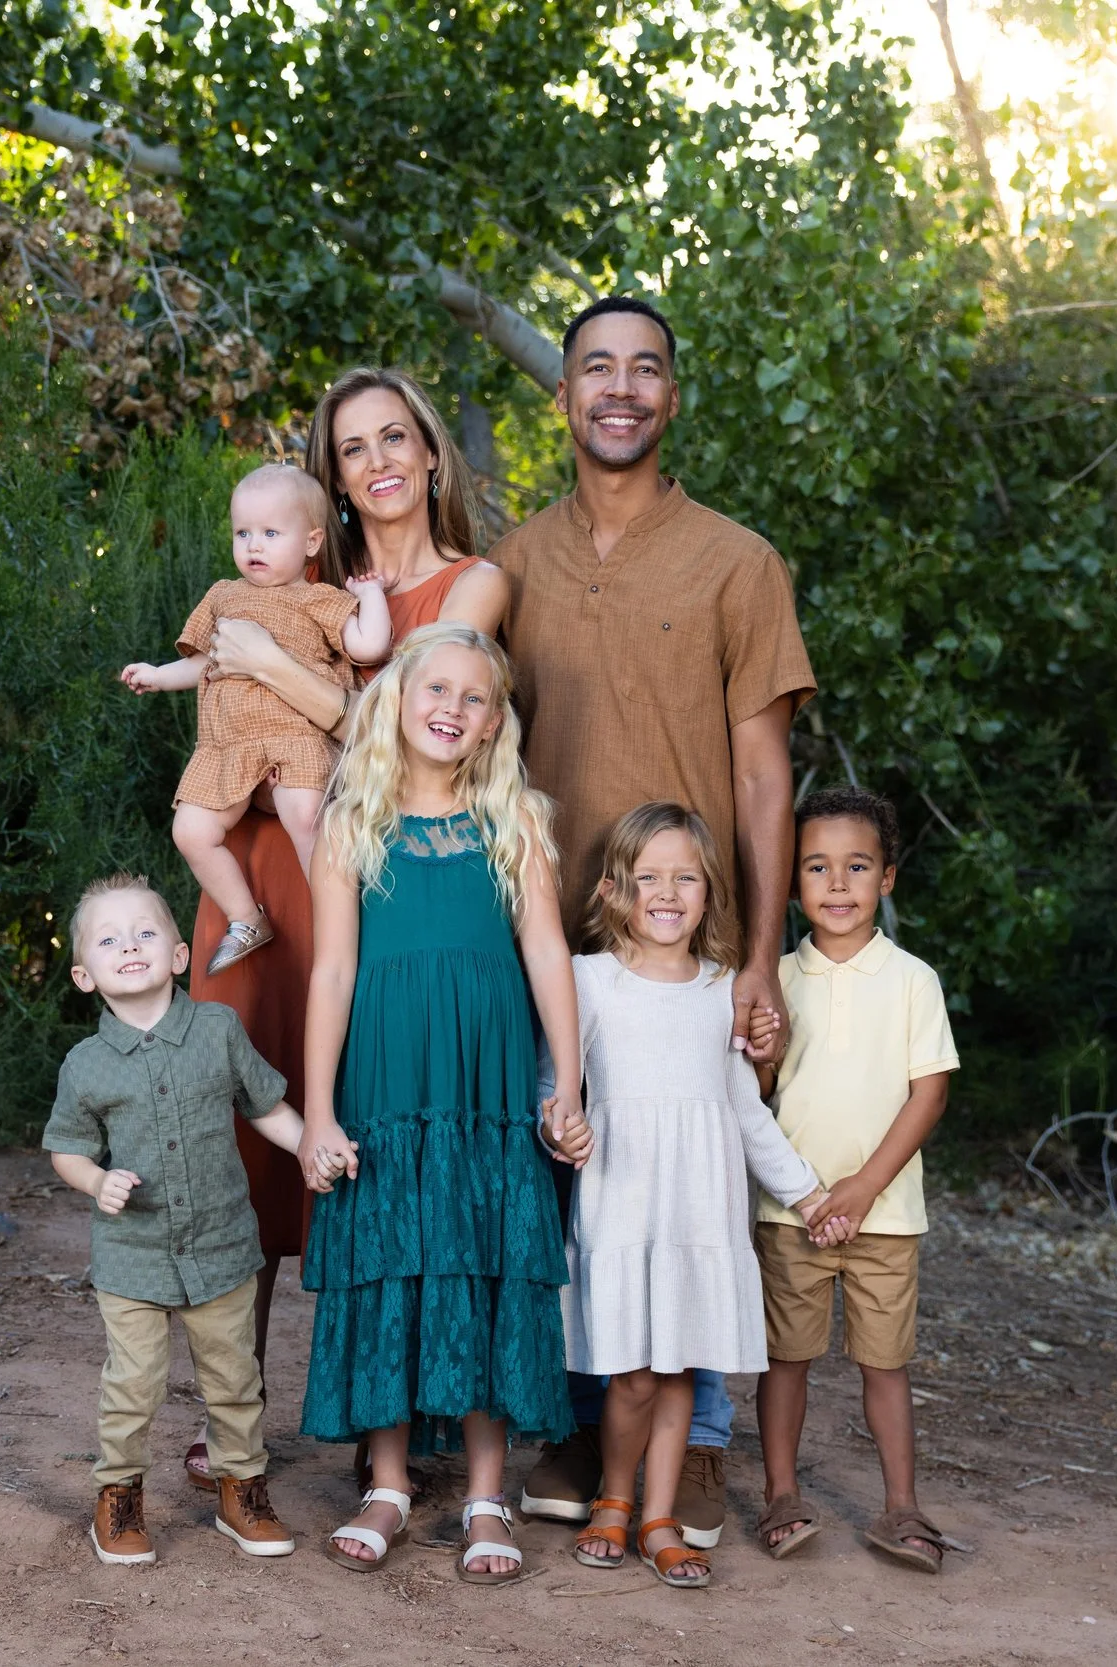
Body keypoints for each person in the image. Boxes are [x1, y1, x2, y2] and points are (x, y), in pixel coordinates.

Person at [499, 295, 817, 1545]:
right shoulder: (513, 562)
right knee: (578, 1182)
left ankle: (700, 1450)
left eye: (644, 370)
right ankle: (584, 1426)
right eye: (595, 369)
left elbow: (760, 772)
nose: (618, 388)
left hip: (698, 954)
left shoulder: (736, 561)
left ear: (672, 396)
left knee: (689, 1179)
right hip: (555, 951)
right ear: (563, 395)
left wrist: (763, 954)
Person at [173, 370, 508, 1489]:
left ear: (428, 453)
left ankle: (396, 1413)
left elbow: (409, 726)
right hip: (261, 864)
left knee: (366, 1125)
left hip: (370, 876)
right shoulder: (297, 576)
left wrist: (267, 663)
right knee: (247, 1131)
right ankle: (235, 1411)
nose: (376, 460)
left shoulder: (474, 583)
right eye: (351, 445)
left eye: (394, 437)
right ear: (333, 475)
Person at [294, 623, 582, 1585]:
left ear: (495, 719)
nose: (451, 709)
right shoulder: (353, 822)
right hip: (385, 1087)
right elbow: (332, 971)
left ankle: (488, 1491)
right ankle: (386, 1481)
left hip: (485, 1093)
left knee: (484, 1260)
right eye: (436, 690)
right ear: (397, 700)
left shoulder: (515, 820)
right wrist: (321, 1113)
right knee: (389, 1264)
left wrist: (566, 1083)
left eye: (473, 697)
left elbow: (547, 954)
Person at [558, 802, 836, 1590]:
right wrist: (562, 1130)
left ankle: (659, 1517)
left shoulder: (725, 991)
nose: (668, 891)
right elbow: (560, 1088)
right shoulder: (590, 981)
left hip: (699, 1208)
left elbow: (747, 1110)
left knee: (681, 1369)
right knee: (634, 1374)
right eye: (649, 876)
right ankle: (614, 1497)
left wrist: (809, 1193)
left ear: (709, 892)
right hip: (625, 1200)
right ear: (615, 890)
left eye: (685, 876)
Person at [40, 873, 321, 1566]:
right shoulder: (86, 1065)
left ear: (176, 954)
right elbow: (66, 1149)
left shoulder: (218, 1030)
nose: (128, 944)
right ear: (85, 973)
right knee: (134, 1383)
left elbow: (264, 1104)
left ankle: (241, 1490)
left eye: (145, 932)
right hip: (132, 1256)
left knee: (234, 1378)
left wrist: (314, 1139)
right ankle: (119, 1497)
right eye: (108, 939)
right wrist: (97, 1180)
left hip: (223, 1246)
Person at [748, 786, 958, 1571]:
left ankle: (901, 1506)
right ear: (793, 880)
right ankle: (780, 1494)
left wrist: (864, 1187)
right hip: (790, 1211)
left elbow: (928, 1092)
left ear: (889, 878)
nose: (837, 885)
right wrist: (763, 1053)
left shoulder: (911, 980)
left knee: (885, 1364)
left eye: (857, 866)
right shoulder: (774, 976)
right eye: (817, 867)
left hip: (886, 1215)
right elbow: (757, 1094)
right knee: (786, 1360)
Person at [122, 463, 391, 973]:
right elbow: (206, 661)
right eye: (243, 533)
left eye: (271, 533)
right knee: (190, 831)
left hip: (294, 739)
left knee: (305, 816)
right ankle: (246, 917)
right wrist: (158, 675)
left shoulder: (320, 600)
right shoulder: (223, 596)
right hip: (229, 745)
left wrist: (371, 596)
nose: (254, 546)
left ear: (312, 542)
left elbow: (369, 643)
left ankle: (338, 920)